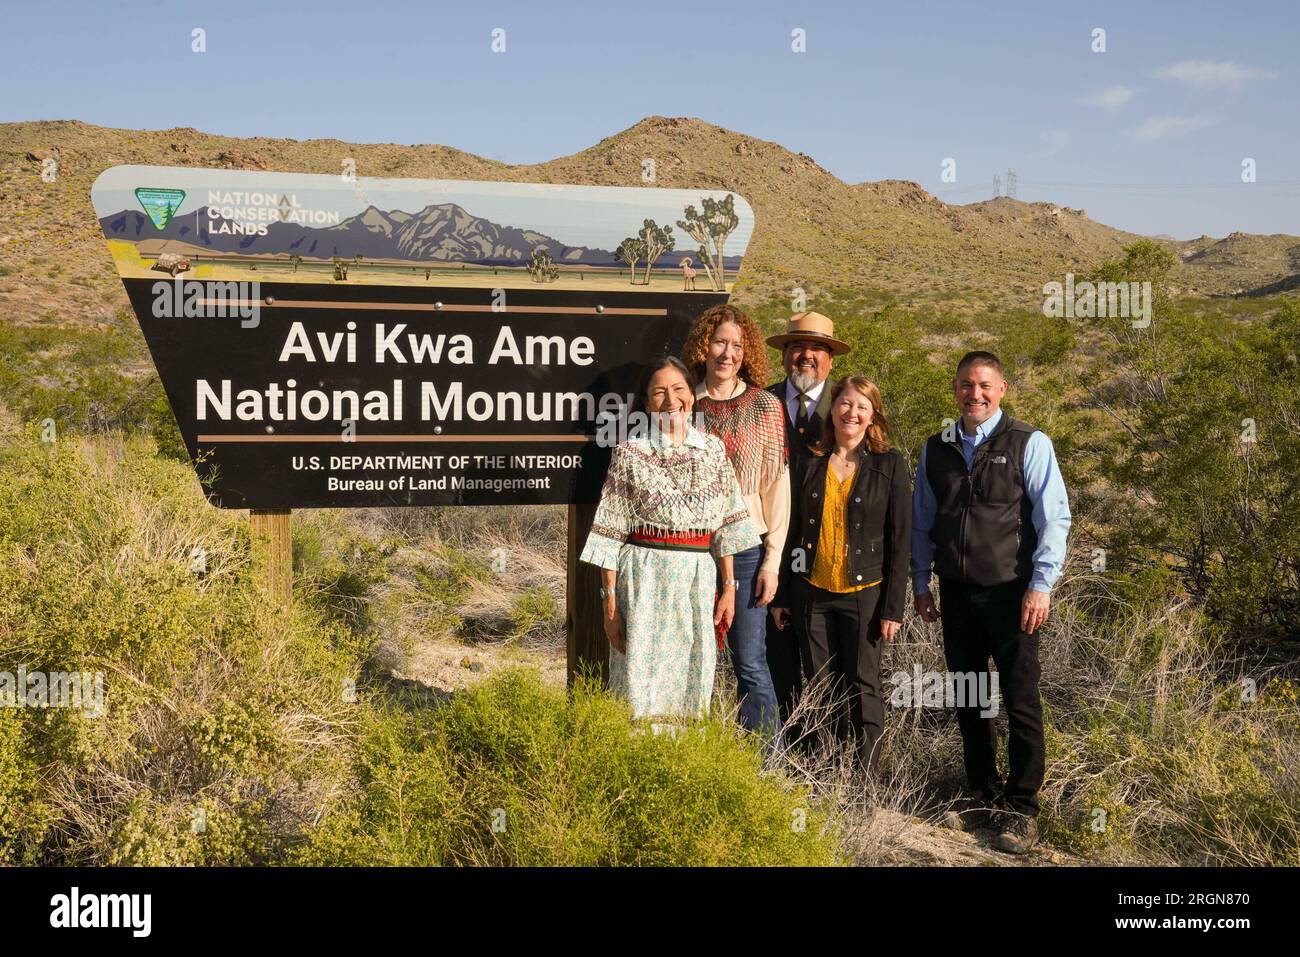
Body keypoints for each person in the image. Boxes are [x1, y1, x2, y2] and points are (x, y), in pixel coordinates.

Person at [911, 350, 1071, 855]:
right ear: (954, 389)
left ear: (1002, 388)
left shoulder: (1029, 443)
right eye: (965, 385)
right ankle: (980, 793)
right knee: (970, 695)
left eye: (984, 385)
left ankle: (1022, 809)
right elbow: (922, 520)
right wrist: (920, 581)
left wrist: (1041, 585)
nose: (974, 394)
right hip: (956, 592)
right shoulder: (936, 448)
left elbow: (1055, 520)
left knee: (1021, 701)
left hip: (1014, 594)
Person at [580, 356, 759, 721]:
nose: (670, 400)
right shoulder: (629, 453)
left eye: (678, 389)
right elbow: (609, 533)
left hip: (696, 579)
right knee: (637, 682)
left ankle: (680, 765)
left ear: (691, 397)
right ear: (646, 403)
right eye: (658, 392)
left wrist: (729, 587)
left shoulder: (713, 451)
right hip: (643, 580)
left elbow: (725, 528)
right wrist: (609, 604)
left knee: (693, 680)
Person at [773, 376, 910, 772]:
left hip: (864, 591)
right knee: (820, 684)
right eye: (846, 404)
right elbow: (791, 528)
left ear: (873, 416)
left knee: (864, 685)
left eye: (862, 407)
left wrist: (892, 608)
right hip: (810, 591)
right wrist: (782, 594)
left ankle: (864, 779)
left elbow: (900, 540)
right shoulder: (808, 460)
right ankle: (826, 770)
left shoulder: (889, 464)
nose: (852, 412)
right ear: (832, 410)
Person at [683, 304, 790, 745]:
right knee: (694, 659)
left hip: (747, 549)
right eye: (719, 342)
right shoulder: (685, 402)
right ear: (704, 345)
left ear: (747, 354)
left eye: (737, 345)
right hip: (691, 547)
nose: (727, 353)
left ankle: (767, 768)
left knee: (749, 662)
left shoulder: (765, 407)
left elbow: (777, 487)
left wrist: (773, 560)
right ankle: (702, 759)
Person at [765, 311, 851, 723]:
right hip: (766, 550)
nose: (806, 356)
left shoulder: (847, 409)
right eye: (797, 348)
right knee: (773, 660)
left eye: (817, 349)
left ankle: (828, 758)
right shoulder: (759, 403)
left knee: (829, 666)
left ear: (831, 360)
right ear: (784, 356)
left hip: (829, 557)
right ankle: (781, 749)